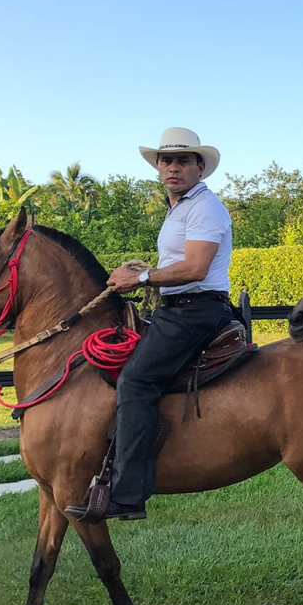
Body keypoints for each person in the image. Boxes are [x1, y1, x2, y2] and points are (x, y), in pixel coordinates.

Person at [66, 127, 234, 523]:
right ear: (158, 168)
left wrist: (141, 279)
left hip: (196, 310)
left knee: (137, 381)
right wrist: (141, 273)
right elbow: (178, 264)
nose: (173, 167)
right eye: (166, 160)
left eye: (182, 160)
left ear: (200, 167)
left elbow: (196, 268)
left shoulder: (204, 207)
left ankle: (127, 494)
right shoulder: (179, 207)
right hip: (178, 307)